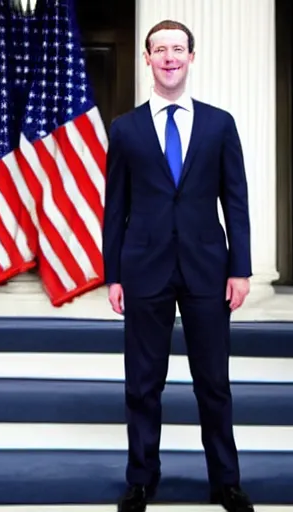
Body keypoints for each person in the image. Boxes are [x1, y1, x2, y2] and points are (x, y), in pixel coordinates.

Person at [102, 20, 254, 512]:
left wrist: (241, 268)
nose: (169, 57)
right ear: (147, 59)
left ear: (191, 57)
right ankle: (142, 480)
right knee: (143, 383)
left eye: (178, 49)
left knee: (214, 382)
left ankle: (225, 482)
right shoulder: (125, 129)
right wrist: (113, 274)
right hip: (143, 268)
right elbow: (114, 207)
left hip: (208, 270)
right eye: (160, 49)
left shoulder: (219, 124)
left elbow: (236, 201)